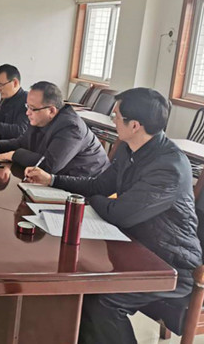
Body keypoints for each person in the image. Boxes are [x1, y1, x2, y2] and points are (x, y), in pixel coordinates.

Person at [24, 88, 202, 344]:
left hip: (170, 263)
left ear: (135, 125)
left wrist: (90, 201)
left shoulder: (169, 167)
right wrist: (52, 180)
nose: (113, 119)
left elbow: (120, 215)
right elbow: (99, 185)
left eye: (116, 115)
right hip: (135, 247)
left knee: (101, 301)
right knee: (76, 286)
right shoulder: (130, 149)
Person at [0, 81, 108, 176]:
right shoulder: (40, 117)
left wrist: (14, 155)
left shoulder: (71, 127)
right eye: (27, 106)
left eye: (32, 108)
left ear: (51, 110)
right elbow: (23, 142)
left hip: (85, 187)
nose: (27, 112)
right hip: (59, 179)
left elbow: (49, 165)